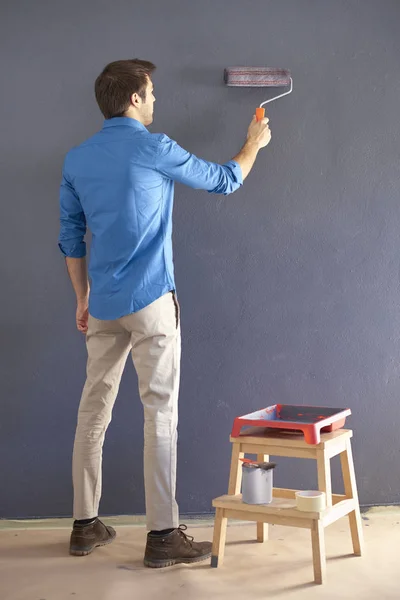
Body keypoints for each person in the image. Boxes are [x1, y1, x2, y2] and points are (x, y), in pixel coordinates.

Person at [58, 58, 271, 568]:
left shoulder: (76, 159)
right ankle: (162, 537)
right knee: (160, 417)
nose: (155, 100)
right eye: (150, 92)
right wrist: (254, 144)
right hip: (153, 302)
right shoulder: (155, 147)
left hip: (104, 306)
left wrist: (82, 299)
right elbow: (224, 180)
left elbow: (71, 239)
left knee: (93, 413)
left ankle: (84, 526)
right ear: (133, 98)